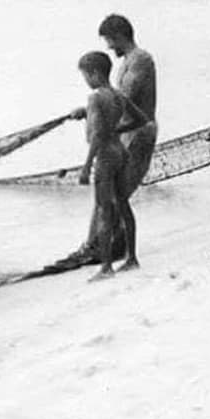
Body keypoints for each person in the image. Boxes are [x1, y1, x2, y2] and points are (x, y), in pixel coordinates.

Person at [70, 14, 157, 267]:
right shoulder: (128, 61)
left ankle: (98, 249)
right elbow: (118, 99)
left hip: (138, 135)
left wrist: (91, 109)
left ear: (119, 36)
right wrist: (89, 111)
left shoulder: (140, 60)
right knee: (115, 198)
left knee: (113, 197)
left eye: (109, 40)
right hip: (126, 133)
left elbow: (121, 99)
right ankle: (111, 248)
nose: (109, 47)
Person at [75, 52, 149, 280]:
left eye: (85, 76)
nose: (86, 80)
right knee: (123, 205)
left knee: (103, 210)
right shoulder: (118, 95)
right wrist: (116, 130)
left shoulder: (95, 98)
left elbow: (97, 134)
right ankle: (131, 259)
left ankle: (106, 268)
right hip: (121, 152)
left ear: (94, 73)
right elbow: (141, 119)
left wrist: (87, 166)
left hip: (105, 156)